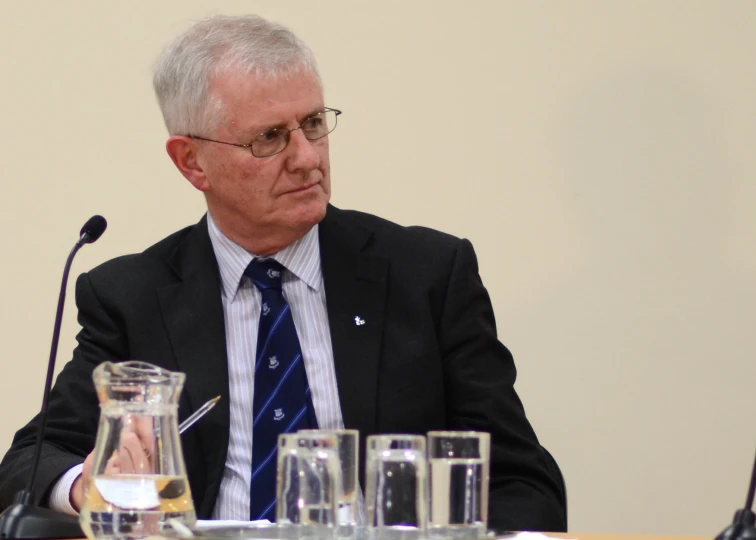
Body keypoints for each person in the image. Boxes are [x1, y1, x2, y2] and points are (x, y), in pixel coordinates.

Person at [0, 14, 566, 532]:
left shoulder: (426, 275)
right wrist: (90, 488)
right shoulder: (132, 297)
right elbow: (28, 463)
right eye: (270, 137)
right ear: (191, 161)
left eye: (314, 124)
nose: (307, 157)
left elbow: (522, 482)